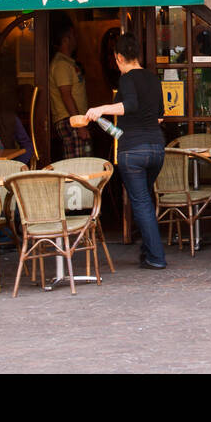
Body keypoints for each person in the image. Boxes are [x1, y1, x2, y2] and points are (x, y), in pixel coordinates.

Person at [84, 34, 168, 271]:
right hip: (156, 148)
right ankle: (148, 251)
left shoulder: (127, 79)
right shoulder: (153, 79)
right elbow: (160, 115)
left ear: (119, 57)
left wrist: (100, 109)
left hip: (133, 150)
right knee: (145, 200)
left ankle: (156, 256)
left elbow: (129, 105)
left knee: (140, 202)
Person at [50, 23, 91, 159]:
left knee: (83, 161)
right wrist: (79, 125)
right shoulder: (61, 64)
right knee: (78, 165)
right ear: (66, 39)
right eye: (73, 35)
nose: (76, 39)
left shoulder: (68, 62)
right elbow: (65, 95)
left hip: (75, 119)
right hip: (70, 120)